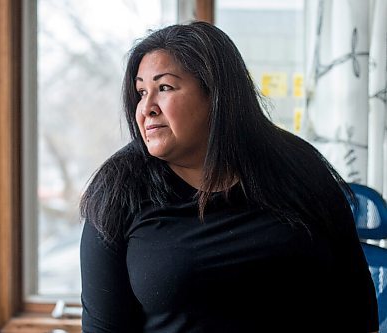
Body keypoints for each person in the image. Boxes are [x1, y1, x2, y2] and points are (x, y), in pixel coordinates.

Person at [79, 21, 379, 333]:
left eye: (164, 87)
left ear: (216, 93)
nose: (146, 108)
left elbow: (356, 310)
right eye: (141, 92)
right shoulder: (117, 190)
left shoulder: (299, 168)